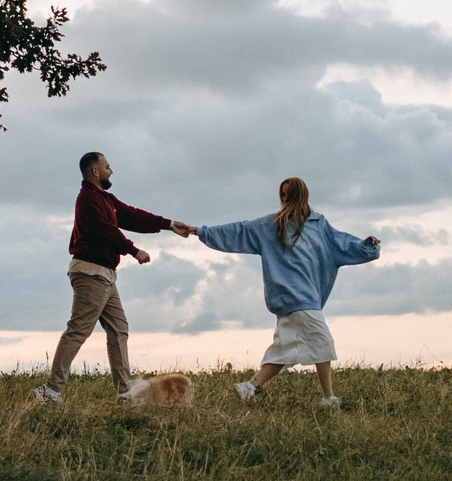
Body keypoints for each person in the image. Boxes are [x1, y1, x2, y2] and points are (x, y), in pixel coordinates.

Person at [187, 176, 380, 409]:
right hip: (294, 298)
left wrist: (366, 246)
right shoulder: (270, 225)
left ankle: (249, 387)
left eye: (289, 194)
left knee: (285, 351)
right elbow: (238, 231)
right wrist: (199, 231)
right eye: (283, 194)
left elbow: (342, 243)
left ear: (301, 195)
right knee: (323, 342)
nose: (285, 198)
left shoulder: (319, 225)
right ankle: (328, 398)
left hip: (303, 298)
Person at [34, 151, 192, 404]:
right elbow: (105, 232)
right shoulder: (87, 200)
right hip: (90, 272)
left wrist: (169, 224)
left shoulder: (105, 199)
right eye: (107, 167)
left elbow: (132, 215)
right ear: (95, 172)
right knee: (78, 330)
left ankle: (125, 392)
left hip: (106, 274)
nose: (111, 171)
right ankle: (51, 391)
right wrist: (133, 250)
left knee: (119, 329)